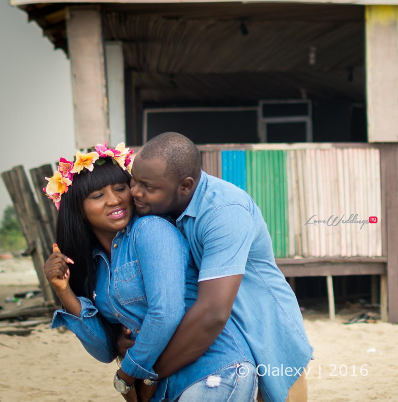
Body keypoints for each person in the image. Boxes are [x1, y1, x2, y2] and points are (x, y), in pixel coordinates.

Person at [43, 144, 257, 402]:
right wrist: (64, 291)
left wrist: (127, 376)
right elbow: (104, 351)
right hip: (164, 387)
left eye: (120, 188)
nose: (115, 200)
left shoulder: (150, 230)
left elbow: (165, 313)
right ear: (78, 208)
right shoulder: (95, 264)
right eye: (98, 195)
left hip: (213, 372)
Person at [122, 132, 313, 402]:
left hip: (264, 330)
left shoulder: (224, 212)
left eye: (148, 187)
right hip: (217, 343)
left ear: (185, 185)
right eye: (134, 180)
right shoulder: (158, 207)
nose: (135, 192)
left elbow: (212, 313)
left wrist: (148, 374)